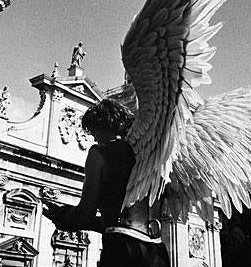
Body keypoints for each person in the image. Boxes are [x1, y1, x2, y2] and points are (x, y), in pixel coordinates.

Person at [42, 98, 170, 267]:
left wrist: (63, 216)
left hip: (122, 249)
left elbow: (86, 213)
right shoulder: (151, 155)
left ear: (103, 124)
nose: (94, 137)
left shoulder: (99, 153)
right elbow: (112, 221)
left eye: (94, 129)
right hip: (157, 251)